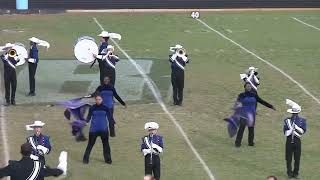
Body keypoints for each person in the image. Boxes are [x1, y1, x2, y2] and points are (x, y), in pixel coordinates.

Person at [224, 83, 275, 147]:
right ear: (244, 87)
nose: (249, 87)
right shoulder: (241, 95)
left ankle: (251, 143)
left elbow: (261, 101)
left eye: (250, 86)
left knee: (251, 129)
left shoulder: (254, 95)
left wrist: (270, 106)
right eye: (248, 86)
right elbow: (237, 104)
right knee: (241, 128)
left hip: (251, 114)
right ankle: (237, 143)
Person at [0, 143, 66, 180]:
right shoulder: (39, 167)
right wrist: (61, 168)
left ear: (21, 152)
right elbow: (56, 172)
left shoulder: (13, 167)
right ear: (31, 152)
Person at [83, 94, 113, 164]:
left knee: (106, 145)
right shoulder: (92, 108)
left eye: (99, 99)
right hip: (93, 130)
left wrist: (112, 125)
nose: (98, 101)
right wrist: (86, 122)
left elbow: (110, 118)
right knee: (90, 145)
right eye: (97, 99)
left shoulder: (106, 108)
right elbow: (89, 117)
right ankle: (85, 160)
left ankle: (108, 160)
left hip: (104, 130)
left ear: (102, 100)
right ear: (95, 100)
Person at [283, 99, 307, 178]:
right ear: (292, 113)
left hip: (297, 141)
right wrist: (291, 130)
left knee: (297, 158)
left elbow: (303, 131)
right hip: (289, 140)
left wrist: (296, 128)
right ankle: (289, 173)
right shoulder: (287, 120)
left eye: (295, 113)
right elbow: (285, 132)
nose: (294, 115)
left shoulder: (302, 121)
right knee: (288, 158)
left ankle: (295, 173)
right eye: (294, 113)